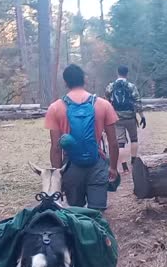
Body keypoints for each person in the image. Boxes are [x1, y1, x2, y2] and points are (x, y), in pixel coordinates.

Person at [45, 64, 120, 210]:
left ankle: (80, 231)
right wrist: (113, 168)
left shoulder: (55, 108)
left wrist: (58, 177)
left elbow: (55, 148)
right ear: (84, 80)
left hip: (71, 167)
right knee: (97, 212)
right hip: (97, 164)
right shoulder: (103, 105)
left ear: (66, 82)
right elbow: (113, 143)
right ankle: (97, 231)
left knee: (76, 211)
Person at [105, 65, 145, 172]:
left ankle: (124, 166)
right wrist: (142, 116)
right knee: (134, 139)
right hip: (130, 117)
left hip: (117, 118)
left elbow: (107, 102)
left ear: (117, 72)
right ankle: (133, 161)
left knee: (120, 143)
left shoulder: (111, 86)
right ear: (127, 74)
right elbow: (138, 102)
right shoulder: (131, 86)